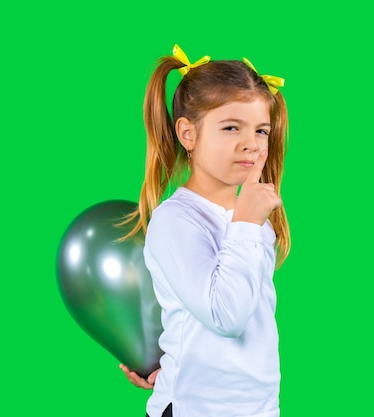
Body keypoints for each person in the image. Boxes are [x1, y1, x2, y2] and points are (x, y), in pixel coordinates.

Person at [120, 44, 291, 417]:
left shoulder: (252, 217)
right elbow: (226, 316)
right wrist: (246, 222)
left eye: (261, 130)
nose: (251, 143)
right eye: (231, 127)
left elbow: (248, 324)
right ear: (188, 134)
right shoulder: (176, 220)